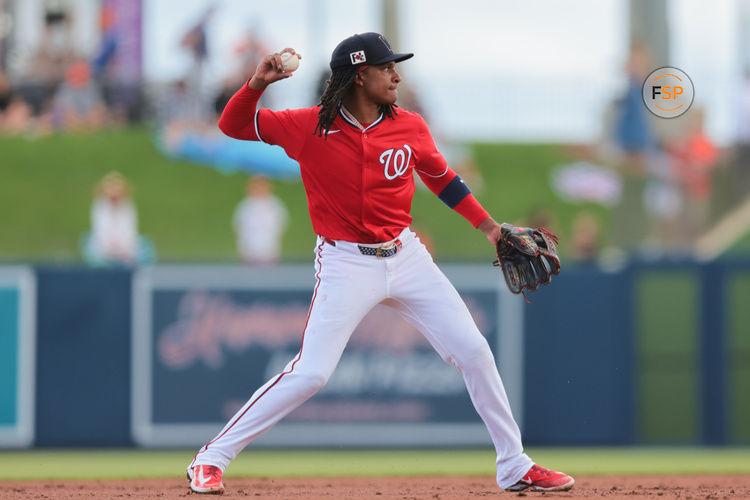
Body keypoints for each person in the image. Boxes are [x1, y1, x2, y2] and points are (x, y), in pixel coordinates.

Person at [186, 33, 574, 495]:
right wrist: (256, 83)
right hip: (346, 261)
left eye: (395, 66)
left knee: (474, 352)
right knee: (311, 373)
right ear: (358, 75)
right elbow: (233, 126)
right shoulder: (307, 126)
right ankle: (211, 458)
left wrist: (490, 228)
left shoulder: (410, 126)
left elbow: (442, 179)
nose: (396, 75)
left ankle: (514, 464)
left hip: (406, 255)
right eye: (386, 66)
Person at [233, 175, 288, 266]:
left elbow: (280, 227)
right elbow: (239, 228)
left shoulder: (274, 206)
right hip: (249, 253)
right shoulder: (245, 206)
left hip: (269, 253)